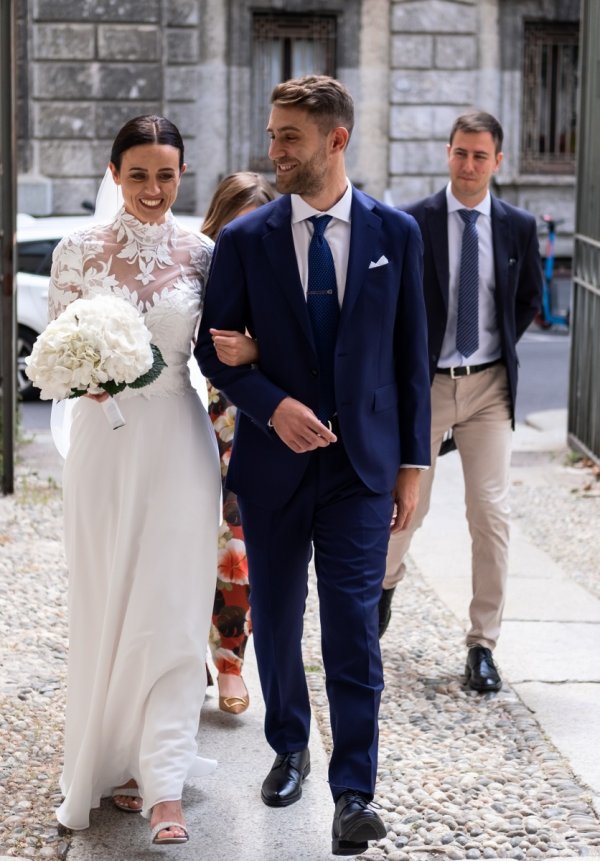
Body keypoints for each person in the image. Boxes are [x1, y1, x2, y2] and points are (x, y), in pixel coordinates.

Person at [196, 75, 431, 857]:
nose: (273, 151)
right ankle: (289, 744)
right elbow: (213, 348)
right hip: (273, 467)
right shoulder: (245, 240)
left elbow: (410, 360)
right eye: (271, 135)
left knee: (353, 629)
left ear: (336, 139)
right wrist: (272, 403)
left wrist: (412, 464)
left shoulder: (396, 234)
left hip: (362, 469)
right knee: (277, 613)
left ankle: (354, 790)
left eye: (288, 138)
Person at [50, 115, 221, 845]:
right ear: (114, 173)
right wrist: (85, 374)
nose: (154, 188)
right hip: (104, 440)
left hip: (179, 435)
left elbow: (220, 350)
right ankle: (112, 753)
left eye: (167, 174)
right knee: (108, 596)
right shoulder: (75, 251)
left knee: (176, 602)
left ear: (182, 176)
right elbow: (56, 351)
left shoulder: (203, 252)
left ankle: (164, 781)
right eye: (140, 173)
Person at [379, 111, 543, 694]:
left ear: (498, 161)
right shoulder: (413, 222)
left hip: (488, 388)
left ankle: (482, 644)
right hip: (425, 386)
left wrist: (488, 357)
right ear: (447, 154)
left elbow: (525, 301)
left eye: (480, 156)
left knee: (490, 514)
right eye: (460, 153)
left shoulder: (518, 226)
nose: (469, 165)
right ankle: (383, 590)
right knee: (408, 508)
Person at [201, 172, 275, 715]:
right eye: (235, 225)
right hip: (187, 420)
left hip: (246, 426)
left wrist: (257, 350)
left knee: (235, 548)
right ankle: (184, 659)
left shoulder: (281, 274)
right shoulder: (195, 265)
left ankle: (230, 664)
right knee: (181, 546)